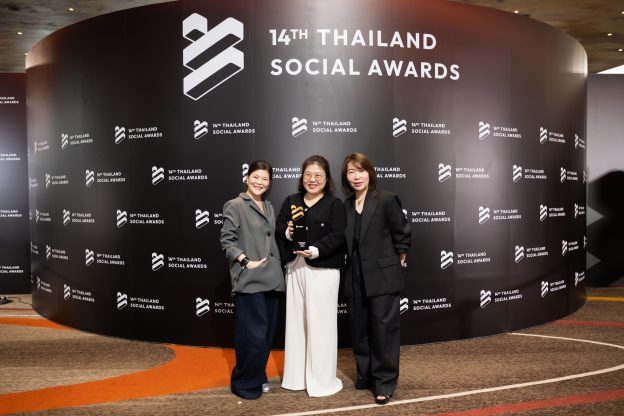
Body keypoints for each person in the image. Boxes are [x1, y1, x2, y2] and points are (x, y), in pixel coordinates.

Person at [341, 152, 411, 405]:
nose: (356, 176)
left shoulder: (386, 199)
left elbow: (402, 232)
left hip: (383, 275)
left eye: (360, 170)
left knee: (384, 331)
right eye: (351, 172)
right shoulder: (346, 205)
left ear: (370, 172)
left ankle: (384, 382)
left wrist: (399, 256)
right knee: (359, 330)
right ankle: (366, 376)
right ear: (346, 177)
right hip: (355, 276)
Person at [277, 155, 346, 397]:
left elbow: (339, 235)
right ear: (302, 177)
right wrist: (288, 232)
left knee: (321, 326)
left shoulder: (334, 204)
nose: (312, 179)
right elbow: (279, 227)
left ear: (327, 179)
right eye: (308, 174)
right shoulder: (291, 200)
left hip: (323, 271)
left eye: (318, 175)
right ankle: (296, 378)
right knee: (296, 325)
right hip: (295, 268)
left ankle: (321, 380)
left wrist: (316, 250)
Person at [220, 160, 284, 400]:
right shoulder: (235, 205)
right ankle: (243, 383)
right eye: (256, 177)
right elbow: (227, 242)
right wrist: (246, 261)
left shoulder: (269, 206)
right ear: (247, 178)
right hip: (250, 279)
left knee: (265, 337)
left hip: (273, 279)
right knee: (251, 337)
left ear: (269, 183)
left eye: (265, 179)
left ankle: (257, 376)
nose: (259, 182)